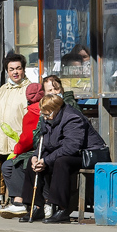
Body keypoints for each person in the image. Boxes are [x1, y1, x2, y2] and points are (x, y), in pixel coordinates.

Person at [30, 94, 87, 224]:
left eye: (47, 114)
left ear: (57, 110)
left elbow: (71, 147)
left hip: (83, 154)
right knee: (32, 162)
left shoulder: (72, 117)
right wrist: (36, 157)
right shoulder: (48, 119)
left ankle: (62, 209)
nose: (45, 117)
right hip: (60, 152)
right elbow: (43, 142)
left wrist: (46, 160)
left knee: (60, 162)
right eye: (43, 114)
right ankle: (37, 206)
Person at [0, 83, 43, 219]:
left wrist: (16, 151)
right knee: (9, 165)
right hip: (37, 150)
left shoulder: (32, 112)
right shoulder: (37, 110)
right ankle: (18, 203)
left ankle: (19, 202)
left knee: (11, 165)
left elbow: (27, 139)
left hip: (36, 151)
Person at [0, 52, 30, 203]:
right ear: (7, 71)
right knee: (7, 171)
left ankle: (18, 201)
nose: (15, 72)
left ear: (24, 69)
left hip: (20, 142)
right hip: (2, 141)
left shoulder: (29, 89)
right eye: (12, 69)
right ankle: (12, 201)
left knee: (17, 171)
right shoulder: (2, 90)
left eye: (18, 68)